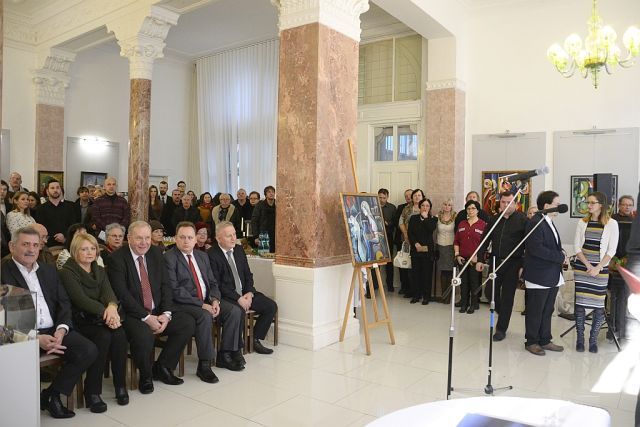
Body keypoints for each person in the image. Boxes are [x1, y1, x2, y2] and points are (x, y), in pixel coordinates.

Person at [2, 226, 97, 419]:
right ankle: (21, 411)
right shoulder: (3, 273)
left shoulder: (48, 270)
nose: (31, 249)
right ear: (12, 246)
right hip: (21, 336)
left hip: (54, 330)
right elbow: (6, 321)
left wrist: (61, 330)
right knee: (20, 359)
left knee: (88, 350)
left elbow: (64, 303)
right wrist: (36, 339)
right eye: (25, 244)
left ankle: (52, 394)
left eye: (35, 245)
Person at [106, 221, 195, 394]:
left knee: (187, 323)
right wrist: (146, 318)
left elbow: (166, 285)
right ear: (129, 238)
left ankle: (162, 367)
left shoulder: (156, 253)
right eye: (139, 238)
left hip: (157, 310)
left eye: (147, 238)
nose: (144, 242)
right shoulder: (117, 259)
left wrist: (166, 314)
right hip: (132, 314)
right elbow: (122, 295)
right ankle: (145, 376)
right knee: (144, 335)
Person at [58, 233, 129, 412]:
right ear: (75, 251)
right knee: (103, 337)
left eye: (92, 248)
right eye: (84, 249)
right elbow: (81, 300)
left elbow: (108, 293)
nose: (89, 252)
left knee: (120, 334)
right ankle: (92, 392)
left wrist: (112, 307)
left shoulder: (99, 269)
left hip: (101, 317)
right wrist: (108, 313)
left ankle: (120, 386)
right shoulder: (67, 271)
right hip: (80, 320)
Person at [165, 222, 245, 380]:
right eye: (182, 237)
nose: (186, 241)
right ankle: (204, 364)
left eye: (190, 237)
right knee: (205, 316)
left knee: (234, 311)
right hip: (184, 304)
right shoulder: (169, 258)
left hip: (207, 300)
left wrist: (215, 300)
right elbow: (175, 290)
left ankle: (225, 354)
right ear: (175, 238)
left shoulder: (202, 256)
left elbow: (213, 282)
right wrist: (202, 305)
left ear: (196, 239)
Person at [209, 221, 277, 355]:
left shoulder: (239, 250)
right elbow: (218, 284)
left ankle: (254, 339)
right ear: (218, 238)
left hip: (245, 293)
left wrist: (250, 292)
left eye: (234, 234)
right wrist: (238, 298)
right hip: (227, 297)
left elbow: (248, 275)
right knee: (238, 311)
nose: (233, 238)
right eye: (229, 236)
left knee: (270, 306)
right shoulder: (212, 254)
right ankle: (236, 348)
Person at [476, 191, 527, 341]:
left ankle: (501, 329)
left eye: (509, 202)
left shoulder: (523, 220)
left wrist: (523, 266)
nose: (505, 205)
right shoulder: (494, 219)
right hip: (495, 261)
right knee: (489, 292)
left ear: (515, 204)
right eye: (503, 202)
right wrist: (479, 259)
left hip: (514, 263)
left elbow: (528, 245)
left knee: (507, 297)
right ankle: (503, 312)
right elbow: (484, 240)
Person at [573, 192, 619, 353]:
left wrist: (597, 267)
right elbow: (577, 247)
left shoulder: (612, 224)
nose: (589, 205)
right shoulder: (582, 222)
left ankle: (593, 340)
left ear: (601, 205)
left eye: (592, 203)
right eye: (588, 202)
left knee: (599, 306)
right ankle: (580, 339)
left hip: (600, 270)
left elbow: (611, 250)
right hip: (582, 268)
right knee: (580, 305)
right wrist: (588, 266)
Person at [523, 190, 567, 356]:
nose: (559, 207)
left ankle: (545, 339)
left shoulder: (547, 221)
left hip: (551, 274)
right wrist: (559, 257)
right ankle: (532, 341)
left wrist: (561, 253)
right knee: (536, 311)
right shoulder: (535, 222)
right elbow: (536, 249)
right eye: (557, 204)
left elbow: (551, 245)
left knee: (547, 310)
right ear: (547, 206)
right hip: (539, 275)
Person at [453, 200, 486, 314]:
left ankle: (473, 304)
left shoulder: (483, 225)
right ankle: (464, 304)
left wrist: (479, 258)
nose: (470, 210)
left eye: (473, 208)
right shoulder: (462, 224)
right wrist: (457, 255)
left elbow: (486, 245)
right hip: (462, 259)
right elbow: (456, 241)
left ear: (477, 210)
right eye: (468, 208)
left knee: (474, 283)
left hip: (475, 260)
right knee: (464, 283)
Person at [610, 195, 635, 338]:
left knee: (624, 297)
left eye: (629, 205)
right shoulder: (611, 220)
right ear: (619, 205)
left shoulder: (635, 221)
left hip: (628, 263)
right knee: (613, 297)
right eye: (624, 204)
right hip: (612, 262)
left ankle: (622, 329)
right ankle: (611, 330)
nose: (627, 207)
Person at [408, 198, 438, 304]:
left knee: (426, 274)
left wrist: (425, 218)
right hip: (415, 249)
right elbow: (410, 233)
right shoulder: (413, 218)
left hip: (427, 250)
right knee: (415, 273)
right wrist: (415, 243)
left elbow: (431, 229)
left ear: (430, 208)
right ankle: (416, 295)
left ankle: (426, 296)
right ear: (419, 207)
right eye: (423, 205)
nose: (425, 208)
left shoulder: (433, 219)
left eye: (427, 206)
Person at [38, 179, 80, 247]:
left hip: (67, 243)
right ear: (47, 191)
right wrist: (56, 237)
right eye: (52, 188)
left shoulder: (70, 207)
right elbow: (41, 227)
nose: (55, 190)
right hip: (48, 245)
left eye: (57, 188)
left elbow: (73, 225)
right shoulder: (41, 208)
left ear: (61, 190)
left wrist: (64, 236)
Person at [398, 189, 424, 298]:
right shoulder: (407, 208)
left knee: (419, 266)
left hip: (421, 241)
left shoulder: (425, 207)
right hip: (408, 240)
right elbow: (401, 221)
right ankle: (410, 289)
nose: (417, 197)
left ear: (422, 197)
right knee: (408, 265)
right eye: (415, 195)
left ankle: (420, 291)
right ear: (412, 197)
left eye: (419, 195)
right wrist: (405, 234)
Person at [371, 188, 396, 293]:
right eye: (380, 197)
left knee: (388, 262)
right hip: (375, 237)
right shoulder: (372, 206)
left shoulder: (392, 207)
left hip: (387, 237)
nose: (381, 200)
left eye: (383, 198)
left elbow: (395, 223)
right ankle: (374, 285)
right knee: (375, 261)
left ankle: (390, 285)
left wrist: (387, 223)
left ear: (387, 197)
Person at [436, 198, 456, 302]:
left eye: (449, 205)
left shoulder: (455, 217)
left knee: (450, 272)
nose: (447, 206)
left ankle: (449, 297)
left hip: (451, 247)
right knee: (443, 271)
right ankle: (444, 296)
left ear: (451, 206)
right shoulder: (438, 217)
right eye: (445, 204)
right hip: (440, 246)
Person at [393, 189, 413, 295]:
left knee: (411, 264)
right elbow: (397, 222)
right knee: (402, 263)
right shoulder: (401, 207)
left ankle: (411, 288)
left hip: (414, 240)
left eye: (410, 195)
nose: (408, 197)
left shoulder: (420, 206)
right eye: (406, 196)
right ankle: (404, 286)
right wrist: (405, 233)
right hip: (402, 239)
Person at [251, 186, 276, 252]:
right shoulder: (260, 205)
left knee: (275, 255)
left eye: (273, 192)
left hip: (276, 234)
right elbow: (254, 221)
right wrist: (256, 236)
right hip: (263, 234)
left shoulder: (278, 204)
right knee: (264, 254)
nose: (271, 193)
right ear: (265, 194)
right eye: (269, 192)